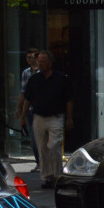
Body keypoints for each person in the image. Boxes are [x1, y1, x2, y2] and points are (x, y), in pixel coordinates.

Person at [18, 50, 73, 188]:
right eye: (39, 62)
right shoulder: (34, 79)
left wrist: (69, 118)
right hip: (39, 117)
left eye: (42, 62)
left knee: (53, 146)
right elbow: (28, 99)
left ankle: (57, 175)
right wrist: (23, 116)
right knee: (42, 148)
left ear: (50, 63)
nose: (40, 64)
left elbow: (69, 99)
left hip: (56, 117)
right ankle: (47, 177)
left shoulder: (60, 78)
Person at [15, 47, 40, 160]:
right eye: (27, 57)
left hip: (40, 109)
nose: (29, 59)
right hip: (29, 110)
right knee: (33, 137)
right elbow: (23, 92)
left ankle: (44, 161)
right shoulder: (26, 73)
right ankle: (38, 161)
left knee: (42, 137)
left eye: (31, 57)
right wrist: (18, 109)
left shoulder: (42, 71)